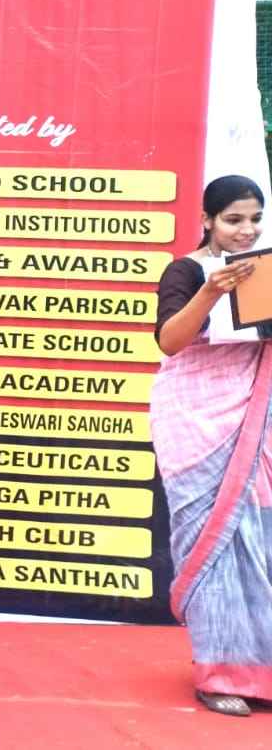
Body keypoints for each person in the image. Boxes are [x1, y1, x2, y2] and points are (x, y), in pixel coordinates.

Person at [151, 174, 272, 717]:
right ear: (207, 220)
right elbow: (170, 342)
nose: (246, 230)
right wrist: (212, 290)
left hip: (256, 425)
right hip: (195, 425)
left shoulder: (267, 271)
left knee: (260, 543)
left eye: (255, 219)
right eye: (233, 219)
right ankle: (219, 674)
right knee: (213, 548)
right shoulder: (187, 271)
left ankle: (259, 670)